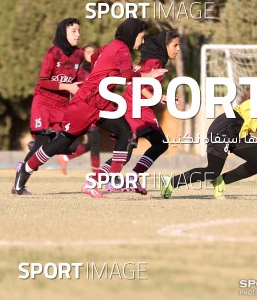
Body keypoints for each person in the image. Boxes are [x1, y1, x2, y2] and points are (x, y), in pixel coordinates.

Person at [12, 18, 166, 198]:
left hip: (102, 102)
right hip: (86, 103)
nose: (143, 41)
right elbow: (126, 76)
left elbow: (94, 58)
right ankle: (25, 169)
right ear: (132, 34)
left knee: (125, 133)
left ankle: (103, 181)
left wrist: (100, 75)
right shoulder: (122, 49)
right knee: (62, 143)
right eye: (141, 36)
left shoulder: (111, 46)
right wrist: (149, 74)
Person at [101, 30, 183, 195]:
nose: (178, 49)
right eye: (175, 45)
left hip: (133, 106)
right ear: (165, 45)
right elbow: (138, 84)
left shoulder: (149, 61)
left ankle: (103, 179)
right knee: (160, 143)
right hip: (138, 109)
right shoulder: (155, 62)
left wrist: (163, 97)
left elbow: (140, 83)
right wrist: (155, 98)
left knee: (127, 150)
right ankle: (127, 177)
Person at [12, 18, 83, 194]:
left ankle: (36, 150)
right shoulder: (53, 52)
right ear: (63, 33)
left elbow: (75, 81)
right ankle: (19, 185)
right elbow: (43, 81)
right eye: (73, 31)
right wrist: (67, 86)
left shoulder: (79, 54)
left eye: (79, 31)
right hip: (43, 102)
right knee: (40, 146)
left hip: (62, 105)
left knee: (71, 145)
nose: (78, 35)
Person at [56, 44, 102, 174]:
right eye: (88, 52)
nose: (91, 54)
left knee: (94, 143)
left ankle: (65, 157)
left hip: (96, 108)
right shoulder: (79, 71)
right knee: (95, 141)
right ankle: (96, 174)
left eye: (93, 52)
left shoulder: (99, 70)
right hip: (84, 109)